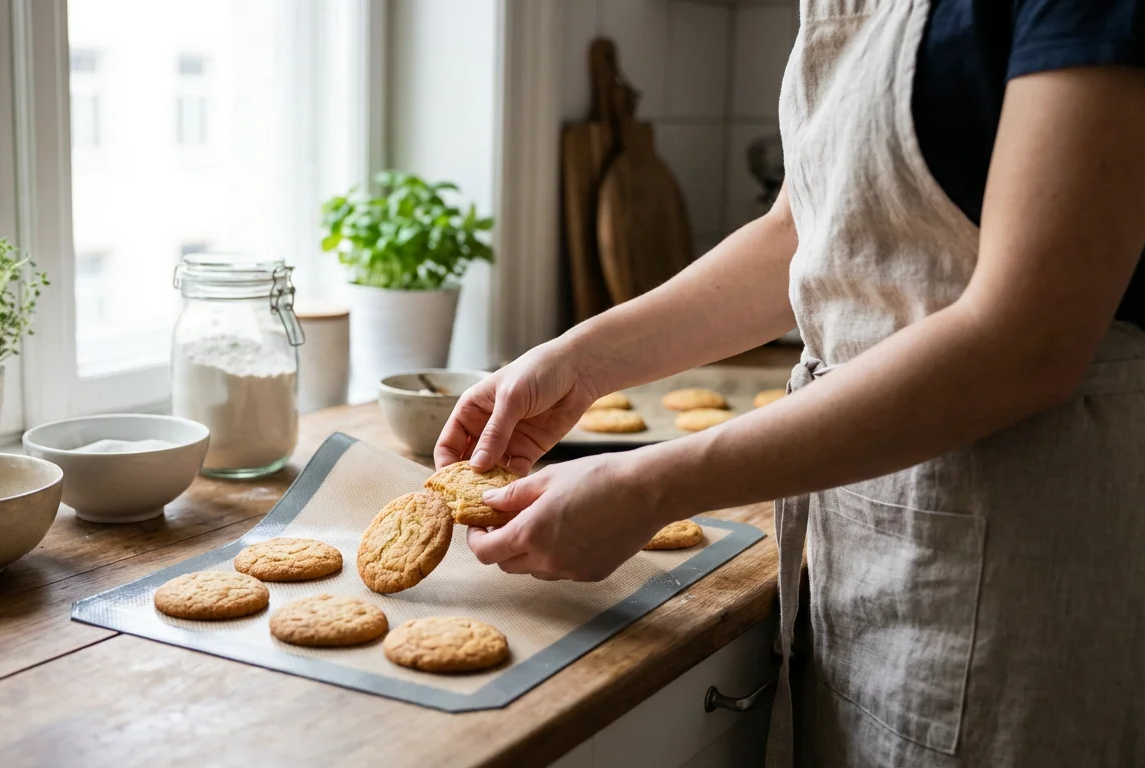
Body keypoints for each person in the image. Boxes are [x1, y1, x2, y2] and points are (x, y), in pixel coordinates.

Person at [435, 1, 1144, 765]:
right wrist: (582, 360)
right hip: (863, 544)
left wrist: (650, 486)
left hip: (1026, 560)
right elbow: (807, 233)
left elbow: (1029, 338)